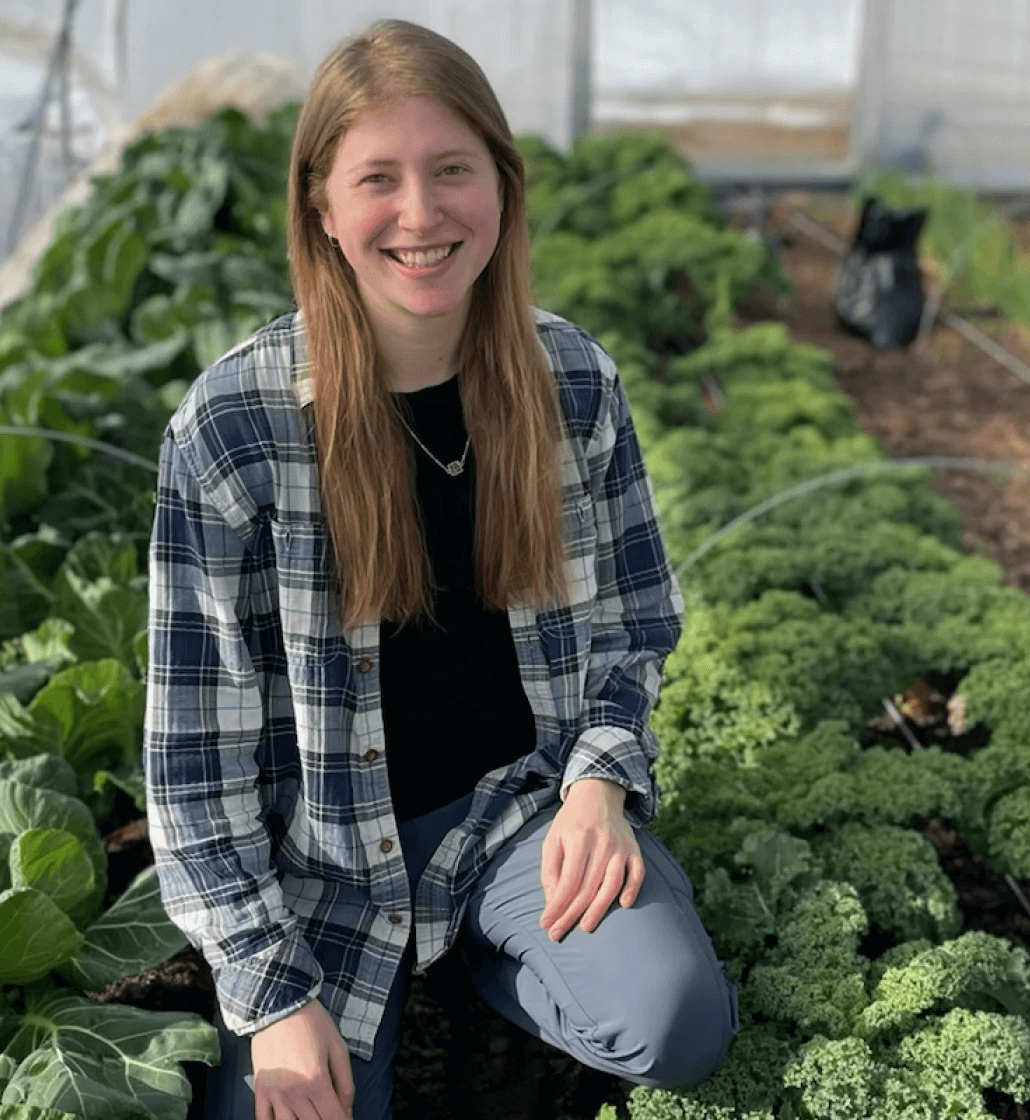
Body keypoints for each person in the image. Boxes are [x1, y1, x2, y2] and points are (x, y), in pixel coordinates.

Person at [142, 19, 739, 1120]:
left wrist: (599, 784)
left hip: (519, 818)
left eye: (452, 169)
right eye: (380, 178)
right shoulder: (234, 430)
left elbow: (635, 623)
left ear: (502, 189)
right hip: (320, 871)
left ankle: (481, 952)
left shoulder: (570, 382)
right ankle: (396, 973)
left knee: (676, 1020)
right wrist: (271, 997)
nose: (422, 214)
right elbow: (193, 768)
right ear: (322, 207)